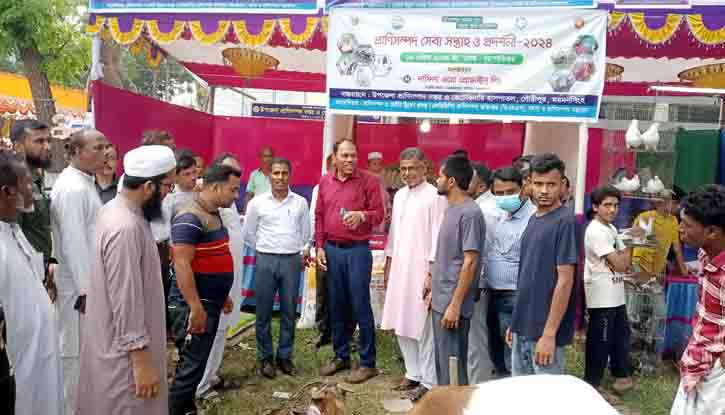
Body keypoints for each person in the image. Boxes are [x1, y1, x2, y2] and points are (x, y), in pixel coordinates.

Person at [77, 145, 177, 415]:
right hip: (125, 359)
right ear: (148, 187)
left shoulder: (117, 210)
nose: (169, 193)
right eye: (168, 185)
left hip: (116, 343)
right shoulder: (125, 227)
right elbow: (126, 298)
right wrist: (141, 361)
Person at [168, 164, 241, 415]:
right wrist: (196, 307)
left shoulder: (214, 212)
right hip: (194, 306)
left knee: (195, 366)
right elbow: (181, 263)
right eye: (233, 190)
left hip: (211, 301)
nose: (236, 195)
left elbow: (213, 256)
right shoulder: (190, 217)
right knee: (190, 368)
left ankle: (186, 409)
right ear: (216, 187)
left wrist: (223, 296)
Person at [315, 139, 384, 384]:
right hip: (332, 251)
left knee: (360, 305)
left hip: (357, 251)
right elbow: (320, 216)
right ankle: (341, 355)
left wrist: (362, 215)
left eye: (353, 155)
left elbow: (379, 215)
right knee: (336, 305)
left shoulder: (369, 181)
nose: (349, 160)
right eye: (344, 156)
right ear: (334, 157)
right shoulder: (325, 181)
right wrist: (319, 247)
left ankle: (367, 363)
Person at [0, 152, 64, 415]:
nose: (34, 193)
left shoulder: (13, 230)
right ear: (7, 191)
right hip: (18, 370)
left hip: (41, 358)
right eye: (27, 184)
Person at [381, 148, 446, 400]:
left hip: (422, 269)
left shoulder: (435, 196)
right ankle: (413, 372)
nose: (407, 173)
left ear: (425, 168)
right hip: (400, 267)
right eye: (403, 168)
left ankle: (429, 380)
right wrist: (388, 264)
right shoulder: (399, 196)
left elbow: (438, 236)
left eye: (412, 168)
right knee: (401, 319)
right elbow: (394, 234)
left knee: (422, 325)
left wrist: (431, 272)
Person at [49, 129, 106, 413]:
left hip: (86, 284)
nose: (104, 153)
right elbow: (73, 242)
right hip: (77, 289)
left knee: (85, 355)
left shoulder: (84, 182)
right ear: (75, 152)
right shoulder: (72, 188)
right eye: (96, 147)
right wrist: (87, 290)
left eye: (105, 147)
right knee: (73, 354)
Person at [508, 153, 577, 377]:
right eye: (538, 184)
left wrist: (549, 334)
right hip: (523, 325)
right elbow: (527, 276)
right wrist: (515, 321)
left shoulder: (565, 221)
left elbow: (565, 281)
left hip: (545, 332)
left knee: (547, 401)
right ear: (529, 184)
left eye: (551, 184)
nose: (544, 191)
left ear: (563, 185)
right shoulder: (533, 218)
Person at [242, 158, 310, 379]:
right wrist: (265, 249)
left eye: (284, 173)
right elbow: (249, 234)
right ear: (269, 175)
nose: (280, 177)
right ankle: (265, 358)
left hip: (291, 262)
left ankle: (284, 356)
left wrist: (298, 250)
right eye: (276, 173)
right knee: (263, 312)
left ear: (290, 176)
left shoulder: (300, 202)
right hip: (266, 260)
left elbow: (305, 233)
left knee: (289, 311)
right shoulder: (257, 203)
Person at [429, 156, 486, 386]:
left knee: (453, 369)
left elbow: (470, 262)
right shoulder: (452, 209)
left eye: (440, 176)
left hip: (453, 305)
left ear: (451, 181)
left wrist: (455, 305)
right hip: (441, 301)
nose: (437, 180)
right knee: (443, 364)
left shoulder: (470, 213)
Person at [671, 185, 725, 415]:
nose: (680, 229)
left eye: (687, 225)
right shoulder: (705, 253)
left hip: (718, 366)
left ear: (712, 231)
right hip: (697, 353)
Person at [196, 153, 245, 398]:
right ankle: (200, 385)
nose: (235, 183)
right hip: (215, 280)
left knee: (223, 329)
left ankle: (211, 375)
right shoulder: (206, 203)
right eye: (230, 174)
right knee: (212, 331)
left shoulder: (229, 201)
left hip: (231, 275)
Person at [485, 167, 536, 378]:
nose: (505, 197)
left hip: (515, 296)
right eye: (500, 193)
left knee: (514, 355)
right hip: (494, 293)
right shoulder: (503, 214)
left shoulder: (533, 218)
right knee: (497, 353)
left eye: (510, 191)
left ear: (523, 187)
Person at [583, 186, 635, 394]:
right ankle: (591, 383)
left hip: (615, 292)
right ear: (595, 207)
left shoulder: (611, 229)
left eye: (615, 205)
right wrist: (630, 246)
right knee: (600, 340)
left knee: (620, 335)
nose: (613, 210)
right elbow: (622, 264)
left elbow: (623, 262)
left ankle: (621, 376)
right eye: (607, 205)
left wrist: (623, 254)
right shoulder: (596, 231)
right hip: (601, 294)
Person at [10, 120, 54, 293]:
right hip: (24, 278)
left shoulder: (34, 178)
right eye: (39, 141)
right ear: (18, 146)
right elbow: (13, 238)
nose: (47, 146)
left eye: (48, 140)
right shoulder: (15, 182)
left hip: (38, 273)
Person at [466, 162, 501, 383]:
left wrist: (476, 283)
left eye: (467, 179)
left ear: (479, 186)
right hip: (488, 282)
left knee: (477, 338)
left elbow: (482, 252)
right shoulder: (485, 206)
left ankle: (477, 385)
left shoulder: (483, 211)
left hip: (481, 283)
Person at [632, 190, 689, 277]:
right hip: (640, 268)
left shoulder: (673, 220)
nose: (678, 207)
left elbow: (676, 247)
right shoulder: (644, 217)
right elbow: (634, 245)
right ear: (661, 203)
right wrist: (635, 269)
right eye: (674, 203)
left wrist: (684, 271)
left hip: (657, 270)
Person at [244, 146, 274, 210]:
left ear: (273, 158)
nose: (267, 159)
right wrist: (245, 213)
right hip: (257, 209)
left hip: (273, 209)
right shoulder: (254, 174)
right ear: (260, 158)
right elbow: (249, 195)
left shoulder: (278, 174)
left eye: (270, 156)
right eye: (265, 156)